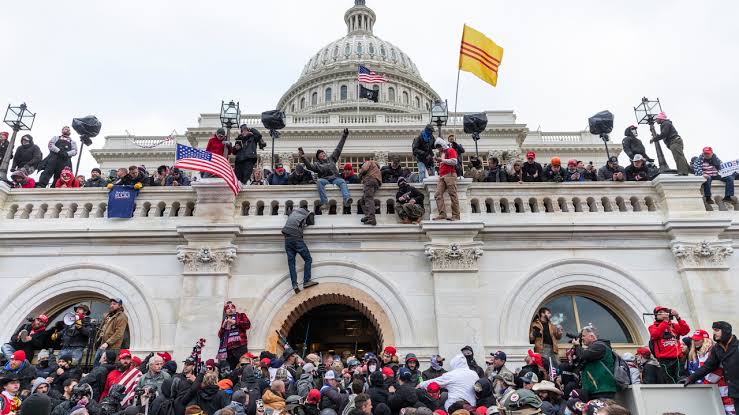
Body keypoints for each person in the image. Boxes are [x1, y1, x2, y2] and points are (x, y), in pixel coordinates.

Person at [684, 321, 738, 414]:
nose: (714, 333)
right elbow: (708, 366)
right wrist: (691, 378)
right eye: (713, 330)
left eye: (717, 330)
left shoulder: (737, 346)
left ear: (726, 331)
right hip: (735, 392)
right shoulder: (717, 348)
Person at [299, 128, 352, 210]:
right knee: (319, 181)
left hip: (335, 178)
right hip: (325, 179)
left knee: (342, 181)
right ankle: (324, 202)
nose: (323, 154)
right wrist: (303, 157)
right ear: (318, 157)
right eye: (320, 154)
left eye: (323, 153)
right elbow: (309, 167)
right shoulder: (317, 165)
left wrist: (344, 136)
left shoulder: (332, 158)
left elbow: (339, 148)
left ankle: (347, 199)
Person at [649, 306, 690, 384]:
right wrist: (665, 322)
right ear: (656, 316)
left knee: (681, 379)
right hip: (664, 360)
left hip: (677, 358)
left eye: (665, 312)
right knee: (670, 380)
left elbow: (685, 331)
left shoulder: (674, 326)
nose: (663, 314)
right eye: (660, 313)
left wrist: (678, 317)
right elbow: (654, 335)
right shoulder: (652, 327)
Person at [573, 326, 617, 400]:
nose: (582, 338)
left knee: (603, 411)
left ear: (592, 336)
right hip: (596, 390)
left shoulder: (599, 346)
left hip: (602, 390)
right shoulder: (594, 347)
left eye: (583, 336)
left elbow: (583, 355)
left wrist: (577, 346)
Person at [282, 206, 318, 294]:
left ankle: (294, 284)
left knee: (291, 263)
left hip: (287, 239)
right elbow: (311, 222)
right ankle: (306, 281)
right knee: (308, 259)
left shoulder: (293, 212)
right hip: (296, 238)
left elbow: (288, 212)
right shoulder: (307, 214)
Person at [94, 298, 129, 366]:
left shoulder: (122, 317)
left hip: (111, 347)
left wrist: (107, 343)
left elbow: (119, 333)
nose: (111, 305)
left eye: (114, 304)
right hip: (101, 345)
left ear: (120, 306)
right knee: (96, 365)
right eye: (111, 304)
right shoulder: (109, 315)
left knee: (105, 367)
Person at [218, 301, 252, 370]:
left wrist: (235, 322)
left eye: (232, 308)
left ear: (235, 309)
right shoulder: (225, 320)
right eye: (228, 308)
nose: (230, 309)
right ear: (225, 311)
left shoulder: (241, 315)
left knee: (243, 367)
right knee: (231, 369)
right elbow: (220, 335)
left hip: (240, 346)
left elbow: (247, 325)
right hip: (229, 350)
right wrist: (223, 327)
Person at [432, 138, 459, 221]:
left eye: (439, 147)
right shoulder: (442, 153)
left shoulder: (450, 150)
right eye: (437, 147)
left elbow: (454, 161)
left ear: (442, 145)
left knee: (453, 195)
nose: (438, 149)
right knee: (437, 194)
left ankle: (456, 215)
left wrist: (441, 160)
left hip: (450, 174)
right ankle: (442, 214)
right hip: (442, 176)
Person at [359, 159, 382, 226]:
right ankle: (368, 216)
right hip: (375, 182)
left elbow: (364, 169)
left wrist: (360, 173)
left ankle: (371, 218)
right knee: (363, 200)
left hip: (370, 180)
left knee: (368, 198)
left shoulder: (368, 162)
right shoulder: (376, 167)